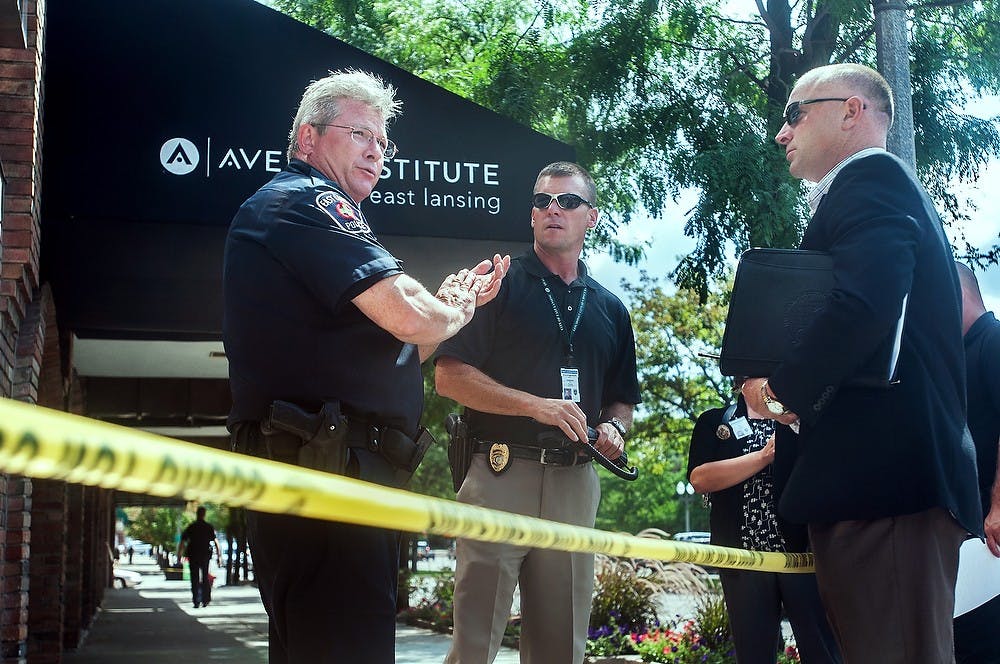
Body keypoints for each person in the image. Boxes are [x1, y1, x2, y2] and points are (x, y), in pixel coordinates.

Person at [223, 69, 508, 663]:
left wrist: (448, 309)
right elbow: (413, 318)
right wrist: (448, 309)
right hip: (326, 478)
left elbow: (404, 351)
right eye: (360, 134)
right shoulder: (306, 202)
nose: (376, 151)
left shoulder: (304, 214)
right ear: (308, 139)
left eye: (383, 142)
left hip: (334, 476)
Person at [741, 63, 982, 663]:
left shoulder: (871, 179)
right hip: (881, 491)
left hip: (885, 490)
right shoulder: (868, 190)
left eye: (795, 113)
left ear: (852, 111)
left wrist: (778, 395)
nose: (782, 131)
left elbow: (864, 306)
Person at [435, 161, 641, 664]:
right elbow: (448, 377)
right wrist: (537, 407)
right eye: (543, 201)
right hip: (500, 471)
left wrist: (613, 427)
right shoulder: (498, 285)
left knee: (562, 648)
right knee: (475, 643)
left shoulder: (611, 308)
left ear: (590, 217)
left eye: (568, 201)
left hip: (576, 481)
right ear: (531, 217)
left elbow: (623, 400)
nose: (554, 209)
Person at [688, 386, 841, 663]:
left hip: (801, 557)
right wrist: (763, 457)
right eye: (762, 377)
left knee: (822, 650)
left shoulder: (803, 421)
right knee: (754, 652)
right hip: (743, 559)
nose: (773, 383)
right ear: (742, 385)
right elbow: (700, 479)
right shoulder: (715, 421)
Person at [953, 263, 1000, 663]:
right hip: (966, 533)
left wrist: (999, 506)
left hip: (992, 534)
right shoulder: (956, 357)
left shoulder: (994, 340)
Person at [177, 506, 222, 609]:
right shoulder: (208, 527)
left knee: (194, 578)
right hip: (205, 554)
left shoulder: (191, 527)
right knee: (205, 577)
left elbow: (182, 542)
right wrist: (219, 557)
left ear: (197, 514)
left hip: (193, 554)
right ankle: (205, 600)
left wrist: (179, 555)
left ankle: (196, 601)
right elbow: (216, 542)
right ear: (204, 514)